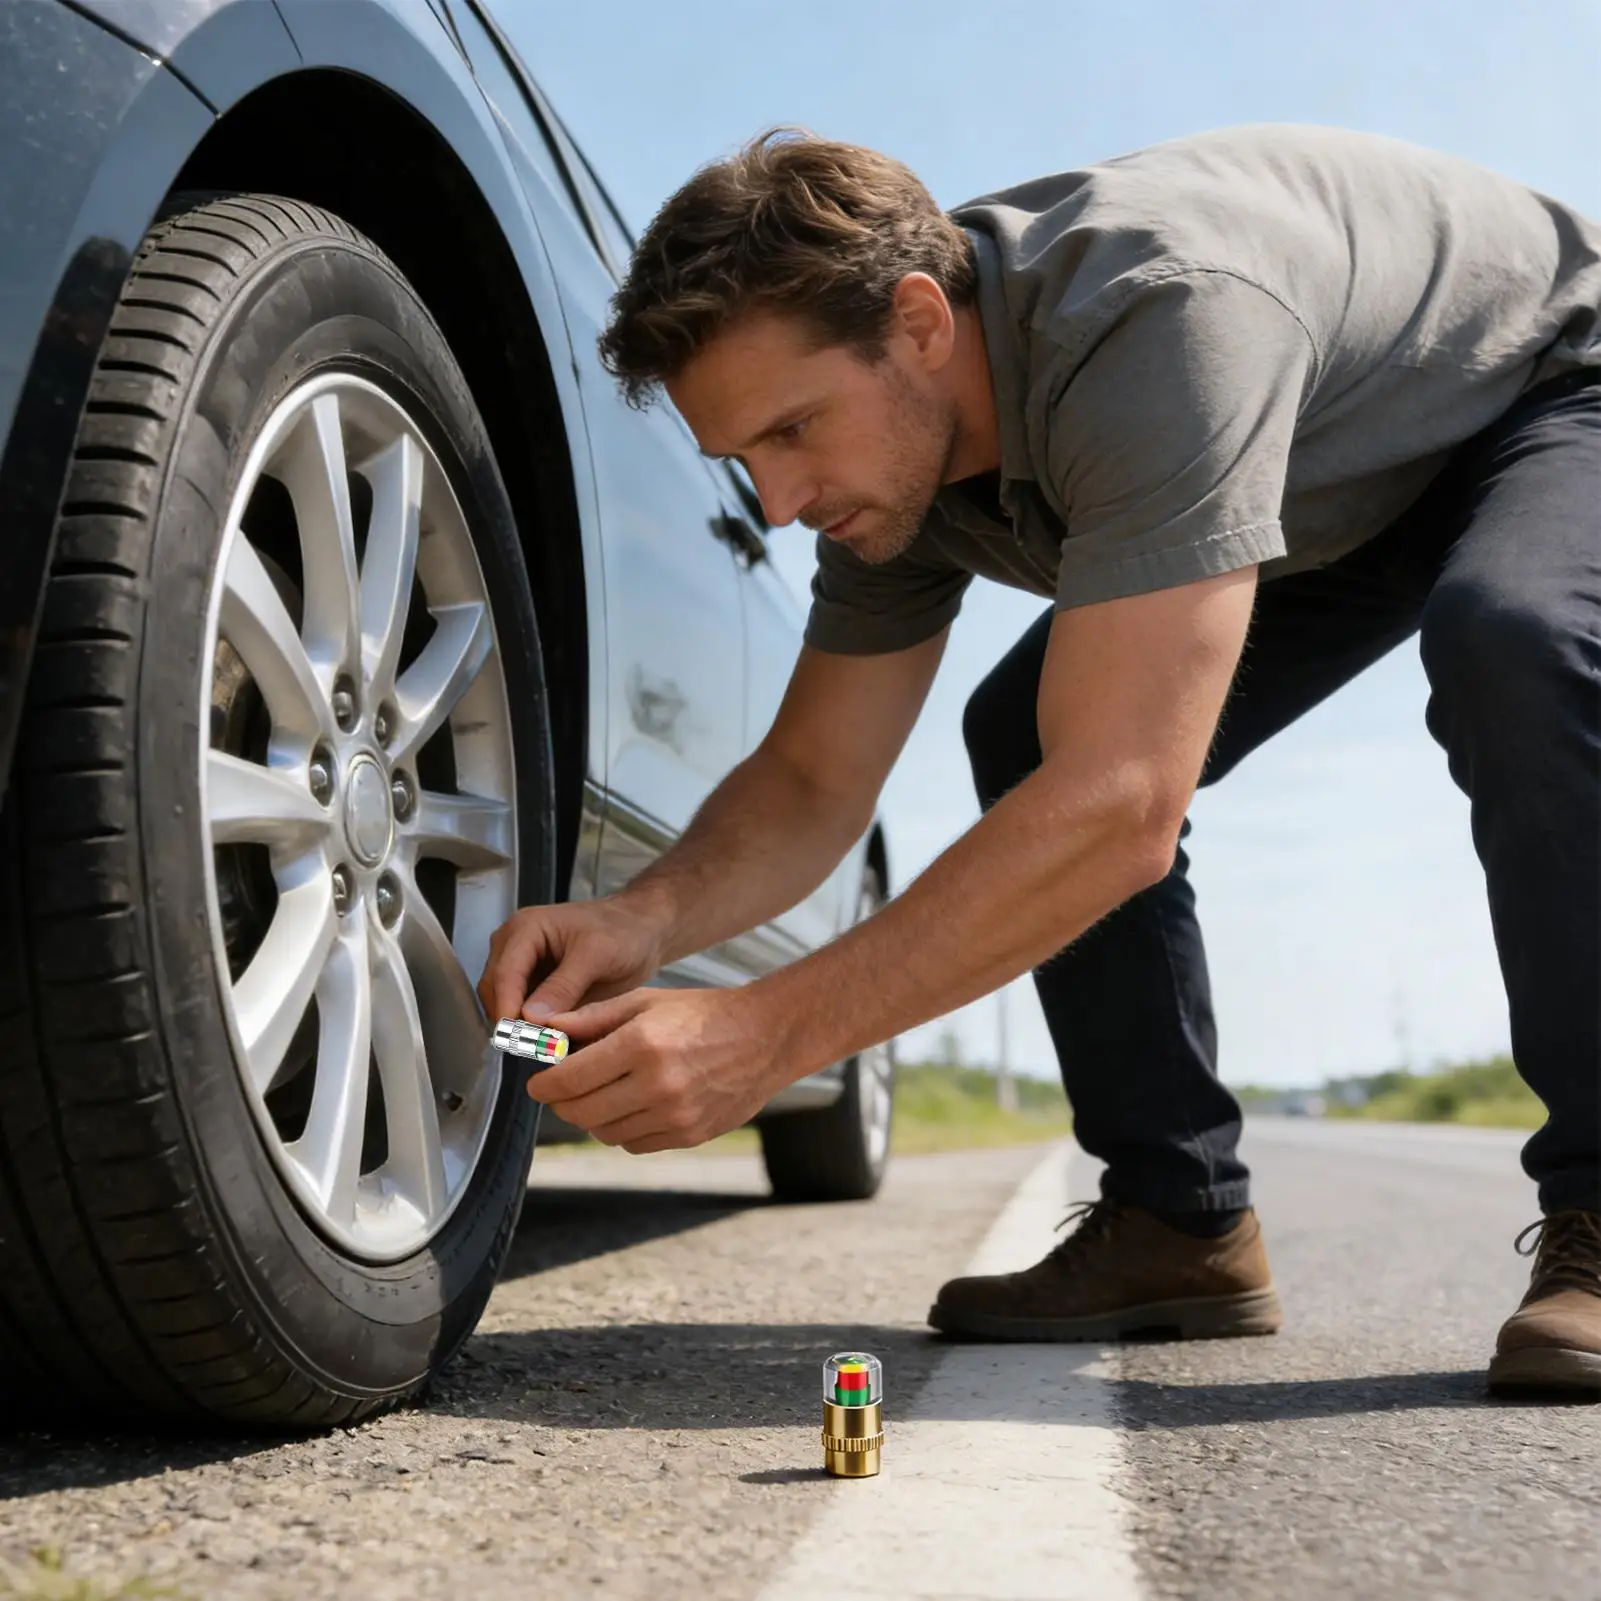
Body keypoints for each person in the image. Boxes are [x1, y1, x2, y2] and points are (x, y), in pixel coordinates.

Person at [478, 124, 1601, 1397]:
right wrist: (637, 918)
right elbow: (808, 782)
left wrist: (763, 1033)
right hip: (1331, 469)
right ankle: (1180, 1223)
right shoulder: (887, 460)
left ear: (917, 322)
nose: (781, 503)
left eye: (793, 430)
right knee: (1020, 736)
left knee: (1513, 634)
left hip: (1546, 380)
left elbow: (1124, 803)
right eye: (745, 461)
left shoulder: (1151, 318)